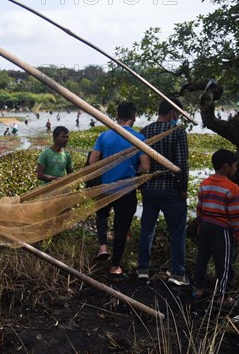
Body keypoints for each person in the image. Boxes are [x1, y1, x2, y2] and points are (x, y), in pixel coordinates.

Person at [88, 102, 150, 277]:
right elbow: (145, 166)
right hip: (126, 190)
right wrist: (130, 168)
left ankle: (102, 247)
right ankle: (115, 266)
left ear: (116, 115)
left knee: (101, 215)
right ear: (134, 118)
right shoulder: (139, 139)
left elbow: (93, 162)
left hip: (105, 187)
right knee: (121, 228)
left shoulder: (104, 136)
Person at [136, 98, 190, 285]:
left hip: (150, 189)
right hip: (171, 189)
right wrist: (184, 188)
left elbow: (140, 163)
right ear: (173, 113)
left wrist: (142, 185)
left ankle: (142, 269)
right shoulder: (177, 131)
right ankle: (177, 273)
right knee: (177, 232)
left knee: (147, 230)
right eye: (178, 114)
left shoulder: (145, 131)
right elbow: (182, 163)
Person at [193, 149, 239, 305]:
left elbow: (199, 208)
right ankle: (223, 296)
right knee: (224, 263)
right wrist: (237, 234)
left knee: (202, 260)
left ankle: (198, 290)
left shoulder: (204, 183)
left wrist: (199, 225)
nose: (236, 169)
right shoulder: (232, 188)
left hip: (205, 226)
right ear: (226, 167)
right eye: (235, 166)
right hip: (222, 229)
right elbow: (234, 216)